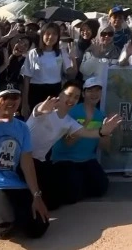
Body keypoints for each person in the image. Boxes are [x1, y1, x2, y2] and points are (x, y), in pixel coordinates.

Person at [25, 80, 122, 209]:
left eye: (75, 97)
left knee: (54, 203)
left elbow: (89, 133)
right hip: (25, 158)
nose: (72, 99)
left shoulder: (69, 122)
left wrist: (104, 131)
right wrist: (42, 109)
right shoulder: (47, 110)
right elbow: (39, 111)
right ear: (60, 94)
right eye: (69, 94)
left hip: (40, 162)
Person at [0, 89, 49, 245]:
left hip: (13, 185)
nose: (10, 100)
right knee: (3, 227)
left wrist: (36, 196)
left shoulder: (22, 128)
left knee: (39, 226)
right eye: (5, 97)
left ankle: (1, 214)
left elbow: (27, 163)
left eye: (15, 97)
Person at [51, 78, 110, 205]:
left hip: (88, 159)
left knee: (101, 188)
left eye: (97, 90)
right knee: (71, 196)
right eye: (90, 90)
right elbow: (67, 143)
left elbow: (104, 147)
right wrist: (86, 123)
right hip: (65, 159)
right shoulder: (71, 112)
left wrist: (107, 132)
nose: (94, 94)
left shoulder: (101, 116)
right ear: (83, 94)